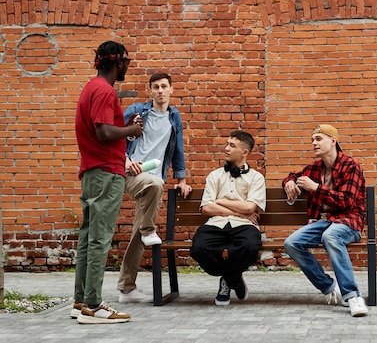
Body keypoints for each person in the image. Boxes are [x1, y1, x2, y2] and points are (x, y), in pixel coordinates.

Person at [72, 41, 143, 324]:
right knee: (99, 239)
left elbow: (100, 127)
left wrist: (125, 125)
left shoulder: (91, 88)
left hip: (92, 171)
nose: (127, 66)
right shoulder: (104, 90)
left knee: (88, 238)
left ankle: (80, 302)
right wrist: (132, 130)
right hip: (106, 172)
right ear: (117, 62)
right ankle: (93, 305)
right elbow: (103, 132)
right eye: (126, 61)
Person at [117, 72, 193, 304]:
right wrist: (125, 160)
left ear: (171, 90)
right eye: (156, 87)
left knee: (138, 231)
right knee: (155, 188)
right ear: (150, 91)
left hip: (153, 180)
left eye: (164, 87)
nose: (160, 91)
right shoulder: (136, 111)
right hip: (130, 174)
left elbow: (177, 148)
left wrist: (181, 180)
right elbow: (113, 136)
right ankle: (149, 230)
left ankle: (126, 289)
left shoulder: (174, 116)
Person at [282, 124, 369, 317]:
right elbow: (293, 176)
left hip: (348, 222)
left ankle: (353, 295)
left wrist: (315, 188)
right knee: (291, 243)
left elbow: (347, 201)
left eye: (319, 139)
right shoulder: (314, 168)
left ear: (333, 141)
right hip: (324, 223)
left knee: (331, 236)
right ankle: (329, 286)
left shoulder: (351, 165)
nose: (314, 143)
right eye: (312, 140)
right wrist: (289, 181)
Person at [190, 130, 266, 306]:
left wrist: (222, 201)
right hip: (216, 223)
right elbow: (207, 208)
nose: (226, 148)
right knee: (199, 248)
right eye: (227, 144)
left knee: (250, 246)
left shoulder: (256, 178)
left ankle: (227, 279)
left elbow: (250, 207)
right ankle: (234, 277)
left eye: (232, 146)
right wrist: (238, 211)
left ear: (245, 152)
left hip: (244, 225)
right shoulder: (215, 175)